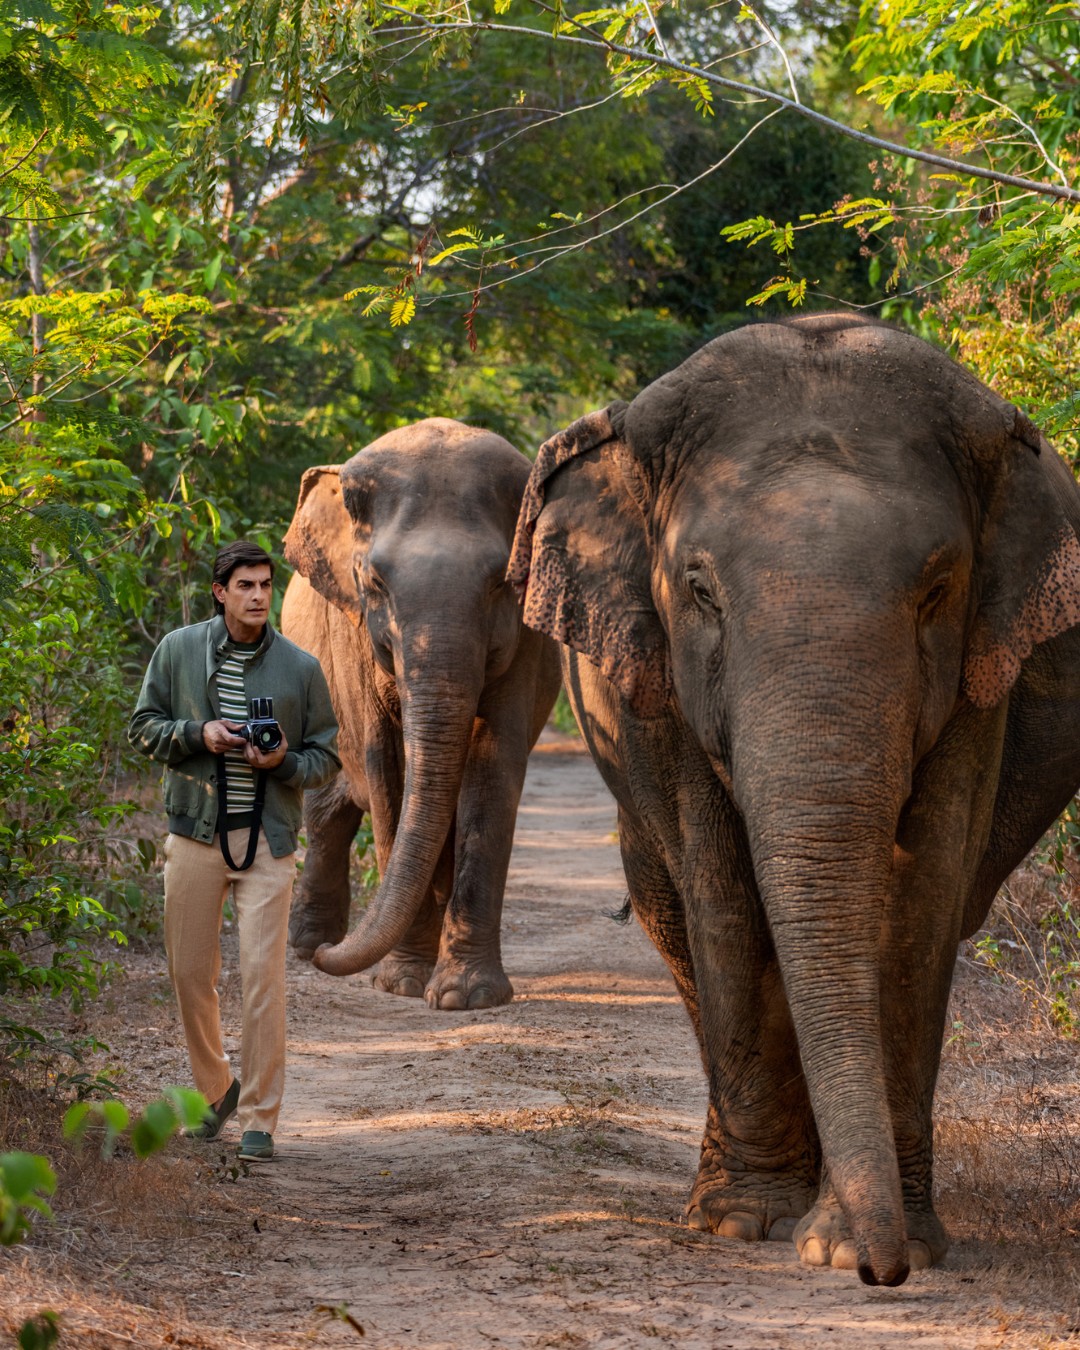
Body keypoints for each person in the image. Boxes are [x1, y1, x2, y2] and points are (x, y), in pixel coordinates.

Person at [129, 541, 340, 1162]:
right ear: (220, 592)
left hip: (269, 843)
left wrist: (283, 763)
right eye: (245, 586)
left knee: (262, 979)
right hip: (194, 834)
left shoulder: (300, 669)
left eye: (265, 586)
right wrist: (200, 734)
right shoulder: (178, 650)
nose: (257, 596)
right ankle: (218, 1089)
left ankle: (260, 1120)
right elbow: (143, 726)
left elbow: (326, 756)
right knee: (190, 974)